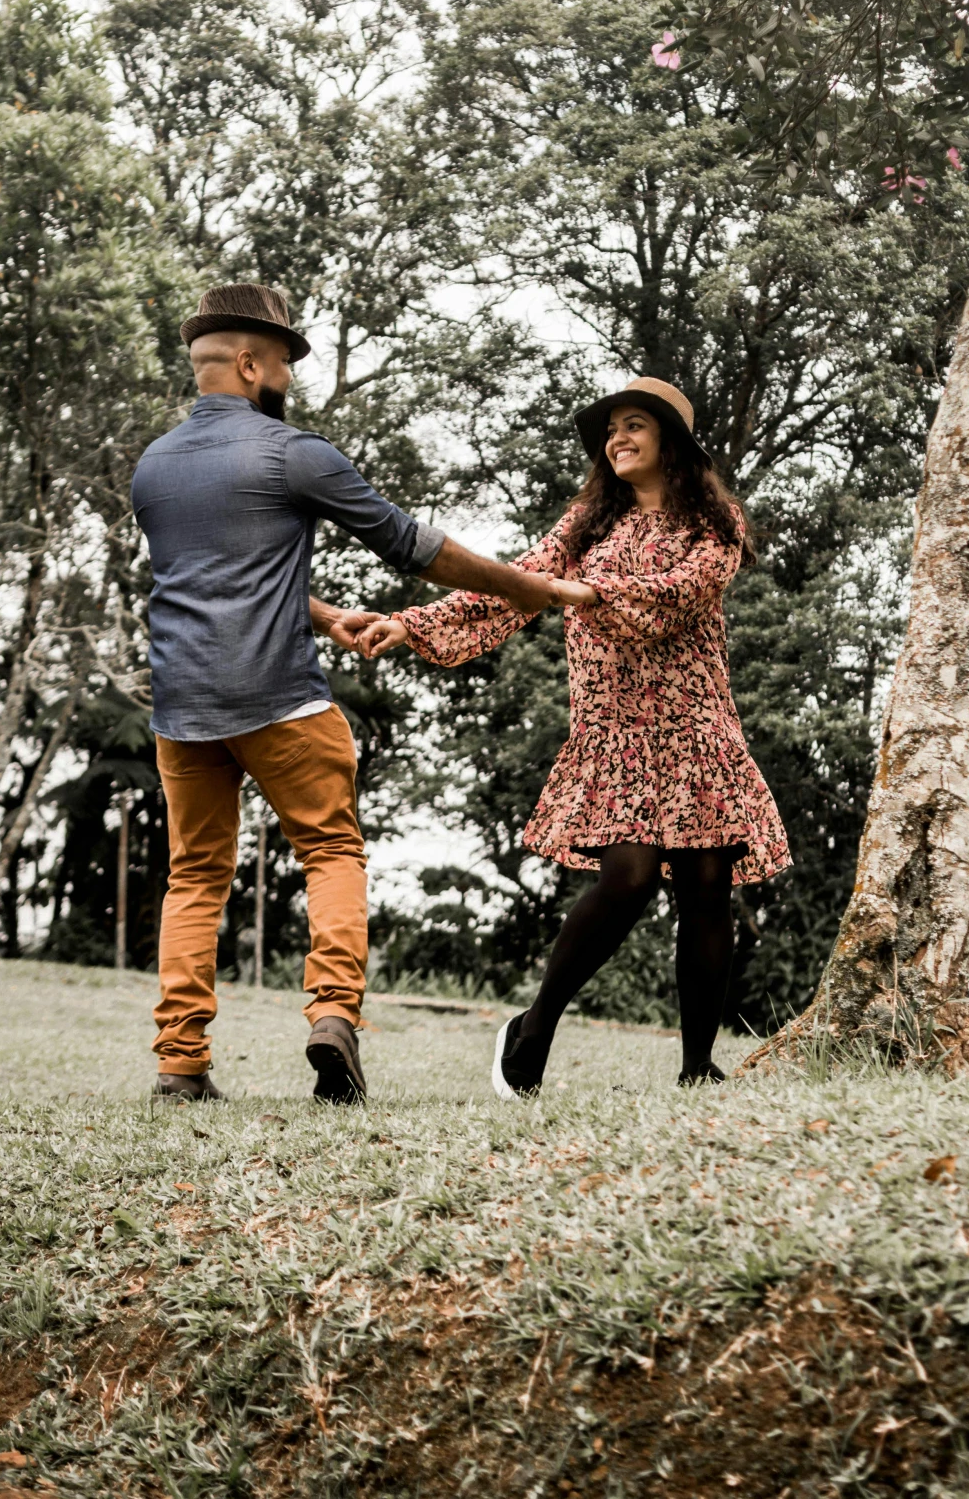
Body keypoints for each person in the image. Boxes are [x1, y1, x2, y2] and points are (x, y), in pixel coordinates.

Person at [132, 281, 578, 1107]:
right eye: (284, 365)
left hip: (182, 709)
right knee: (332, 853)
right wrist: (528, 589)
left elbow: (203, 579)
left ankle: (179, 1065)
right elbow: (417, 549)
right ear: (247, 361)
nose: (288, 382)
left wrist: (326, 612)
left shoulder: (153, 467)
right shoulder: (291, 451)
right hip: (283, 701)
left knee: (194, 879)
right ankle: (333, 1018)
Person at [359, 377, 790, 1095]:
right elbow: (516, 584)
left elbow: (674, 600)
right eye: (609, 430)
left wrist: (584, 593)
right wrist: (411, 624)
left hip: (695, 727)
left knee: (707, 888)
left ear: (670, 442)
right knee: (624, 880)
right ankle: (533, 1030)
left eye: (633, 426)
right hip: (616, 729)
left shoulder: (714, 527)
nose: (616, 439)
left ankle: (696, 1067)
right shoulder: (586, 523)